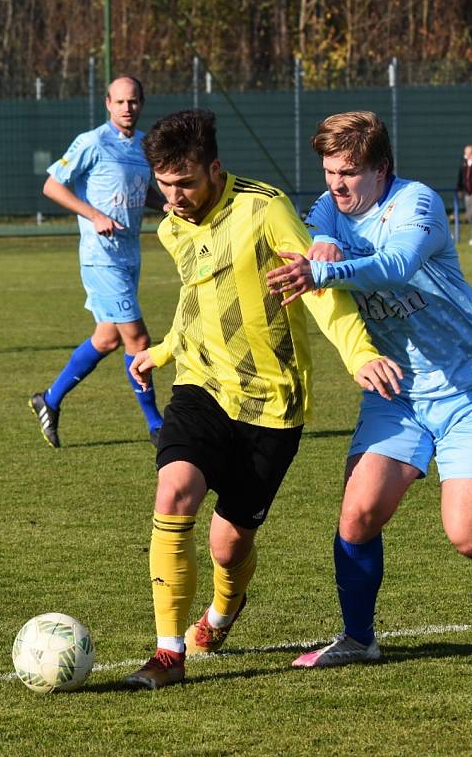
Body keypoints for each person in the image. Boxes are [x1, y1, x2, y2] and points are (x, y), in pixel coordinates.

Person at [122, 109, 402, 690]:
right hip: (201, 387)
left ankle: (223, 610)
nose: (173, 199)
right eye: (164, 185)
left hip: (272, 405)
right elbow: (198, 298)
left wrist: (358, 355)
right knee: (173, 492)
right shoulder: (171, 228)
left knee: (229, 545)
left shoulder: (264, 207)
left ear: (214, 169)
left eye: (186, 184)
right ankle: (167, 652)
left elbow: (316, 286)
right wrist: (167, 350)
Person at [266, 112, 472, 668]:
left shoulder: (417, 204)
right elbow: (322, 220)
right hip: (396, 392)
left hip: (469, 387)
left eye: (350, 171)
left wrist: (322, 270)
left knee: (468, 534)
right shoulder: (329, 205)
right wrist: (324, 240)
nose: (336, 183)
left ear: (382, 169)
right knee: (357, 512)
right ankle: (358, 638)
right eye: (329, 170)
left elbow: (397, 266)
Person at [29, 75, 165, 448]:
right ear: (107, 103)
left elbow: (141, 189)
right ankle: (157, 425)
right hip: (100, 258)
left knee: (106, 339)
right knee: (137, 338)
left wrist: (164, 204)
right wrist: (94, 216)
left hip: (129, 256)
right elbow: (52, 185)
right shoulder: (91, 142)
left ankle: (49, 400)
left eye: (133, 101)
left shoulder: (142, 145)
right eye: (120, 102)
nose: (127, 108)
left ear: (142, 103)